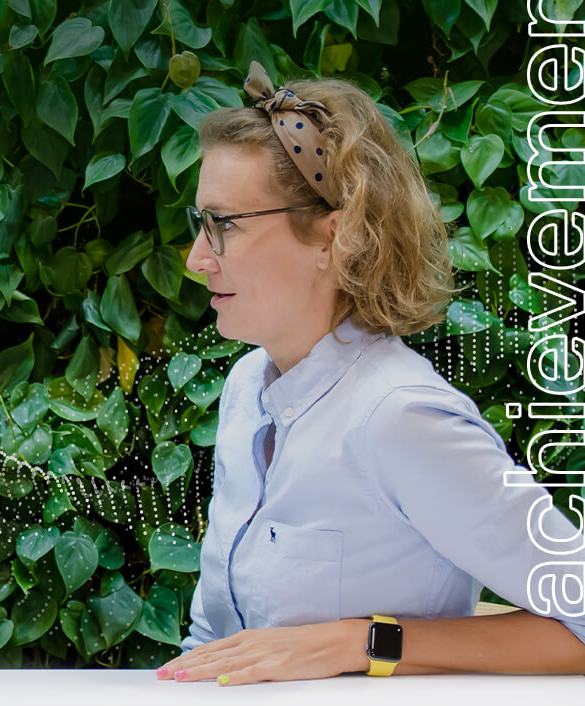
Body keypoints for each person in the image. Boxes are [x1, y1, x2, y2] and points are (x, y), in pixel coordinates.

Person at [154, 63, 585, 685]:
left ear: (335, 235)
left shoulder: (401, 417)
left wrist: (369, 642)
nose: (197, 260)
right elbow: (219, 643)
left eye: (225, 225)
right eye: (202, 223)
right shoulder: (248, 388)